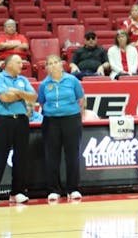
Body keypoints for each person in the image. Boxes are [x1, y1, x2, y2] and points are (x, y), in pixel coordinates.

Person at [0, 55, 37, 206]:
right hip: (3, 121)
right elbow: (5, 98)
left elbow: (33, 97)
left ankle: (17, 192)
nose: (22, 64)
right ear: (8, 64)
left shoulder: (23, 79)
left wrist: (17, 92)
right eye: (18, 62)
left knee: (21, 158)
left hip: (21, 120)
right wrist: (22, 94)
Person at [37, 54, 85, 201]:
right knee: (52, 156)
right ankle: (54, 189)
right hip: (51, 121)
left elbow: (81, 100)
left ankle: (73, 188)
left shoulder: (72, 80)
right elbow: (42, 103)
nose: (53, 65)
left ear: (62, 64)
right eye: (49, 63)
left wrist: (77, 116)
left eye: (55, 62)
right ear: (46, 68)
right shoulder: (44, 84)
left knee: (72, 155)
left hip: (71, 120)